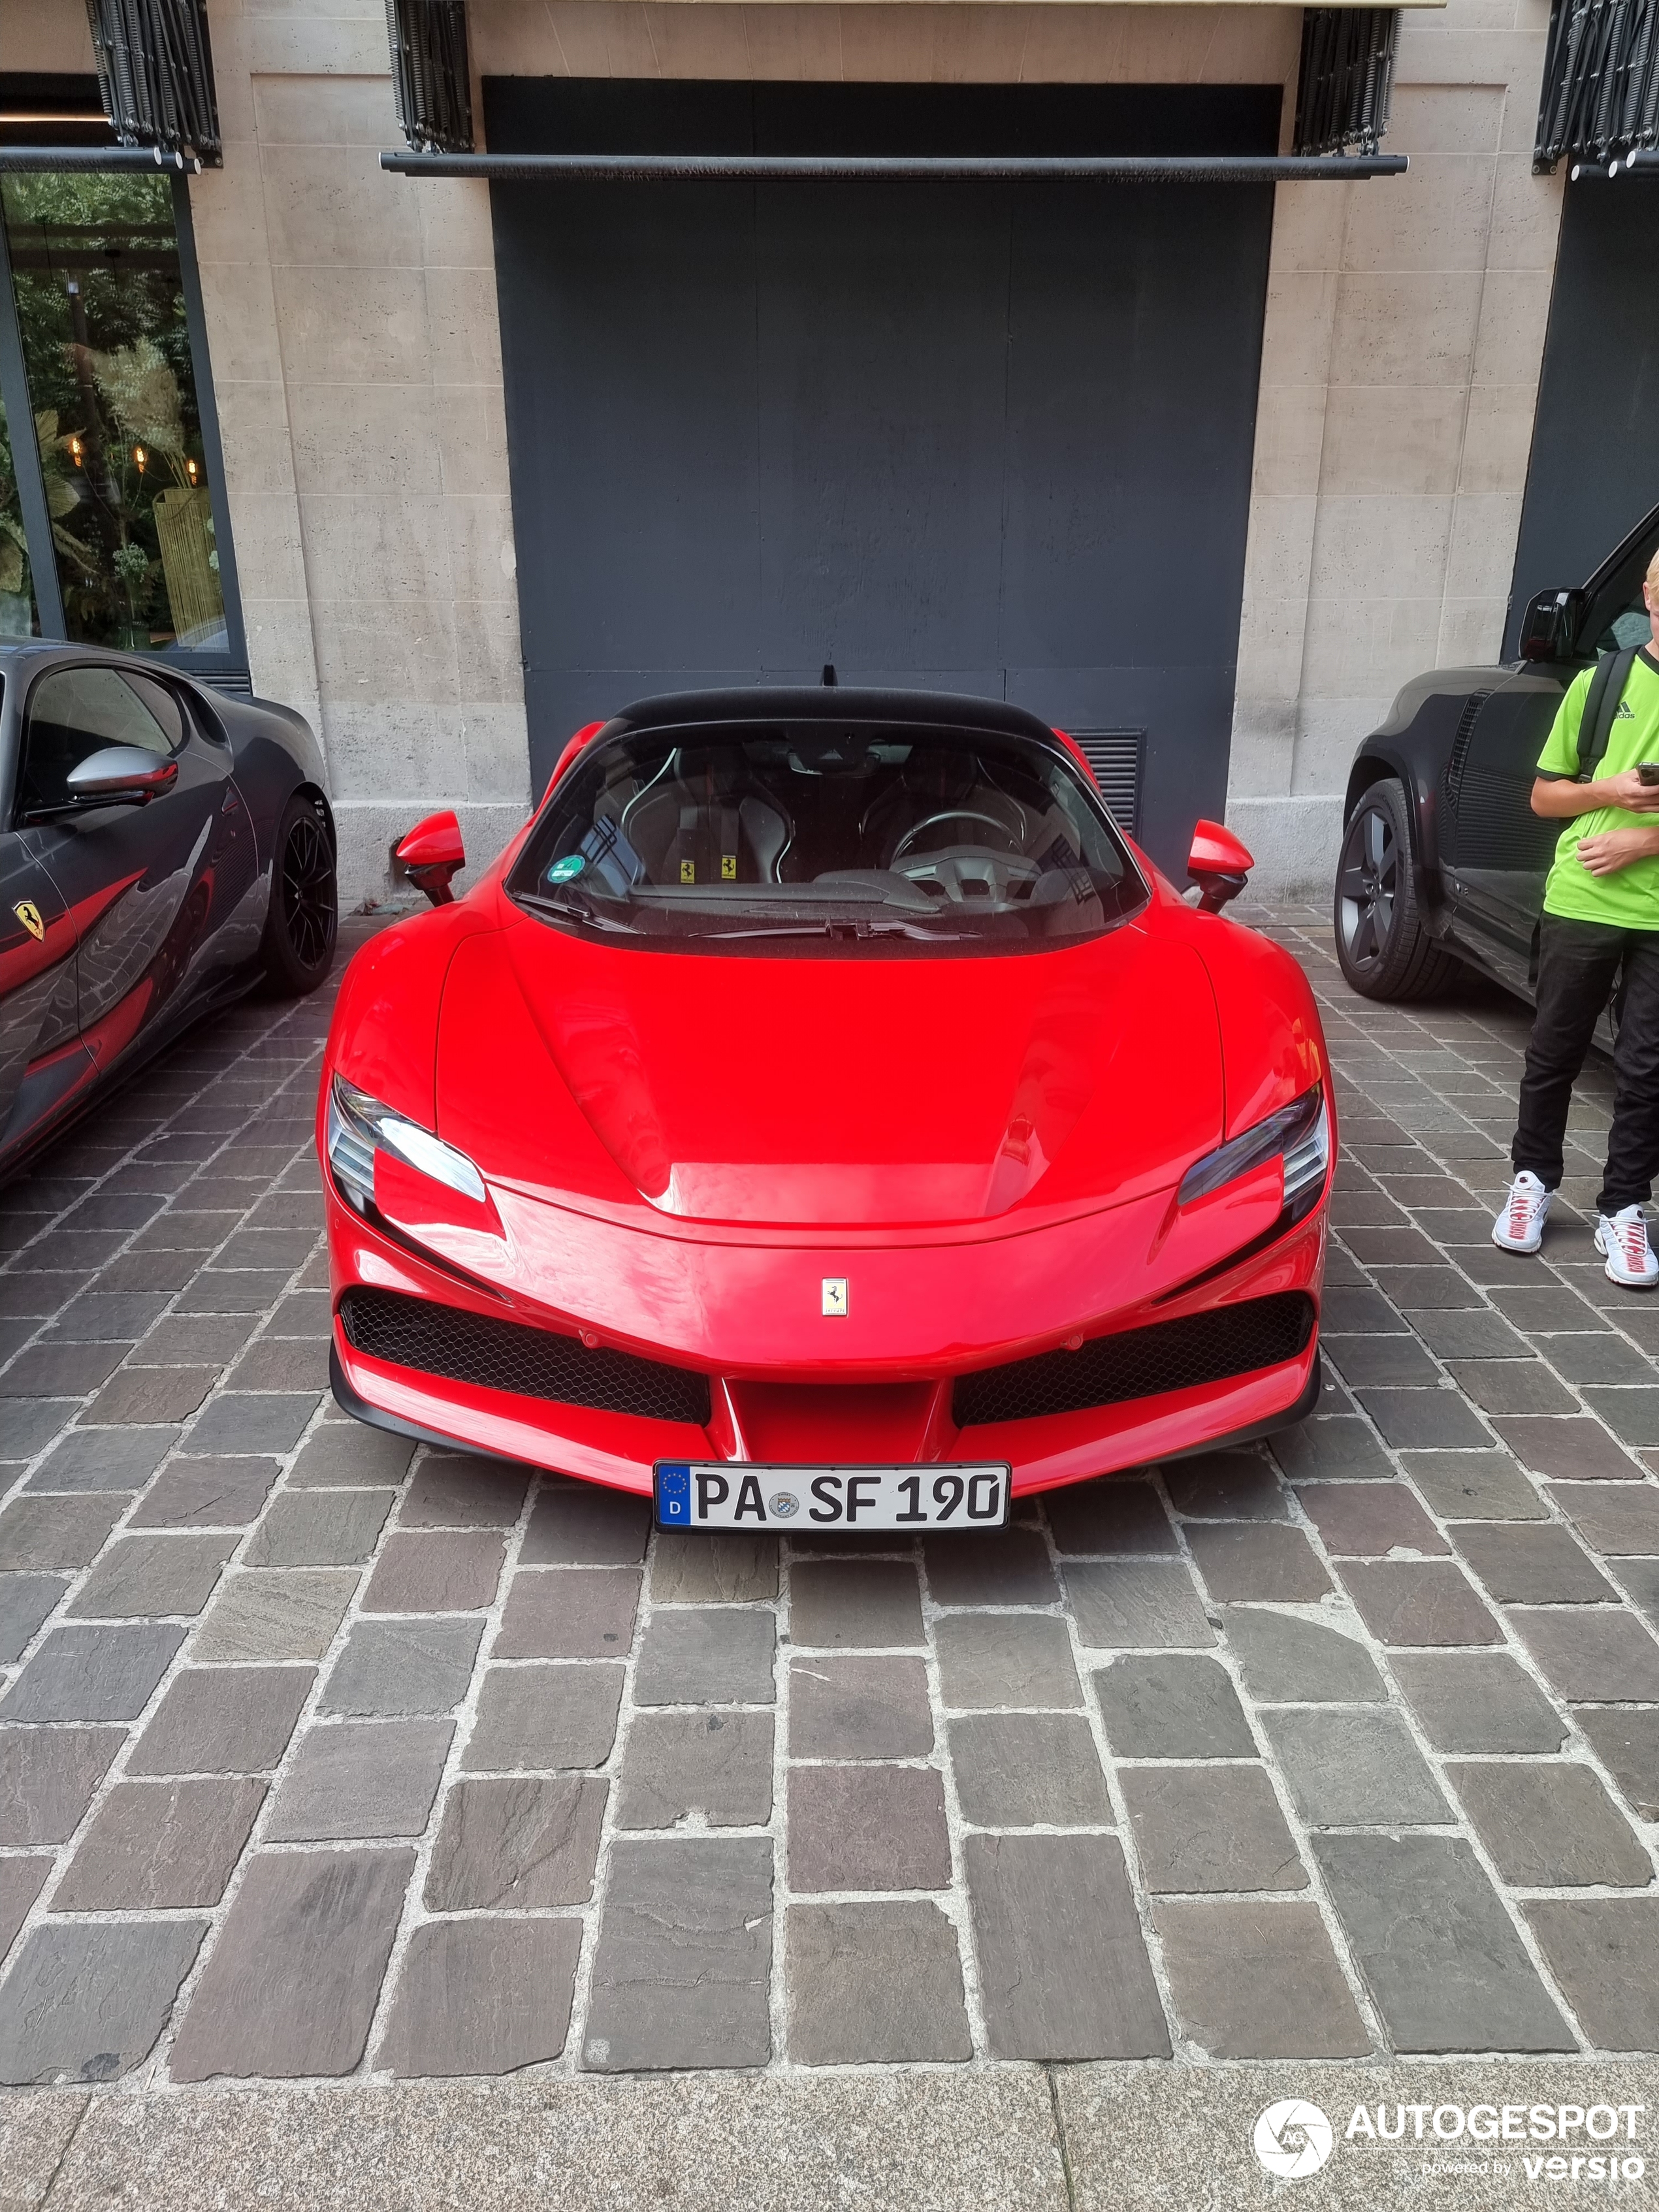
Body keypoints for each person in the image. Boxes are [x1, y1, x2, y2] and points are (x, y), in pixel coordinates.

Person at [1494, 547, 1659, 1287]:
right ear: (1650, 597)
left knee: (1647, 1068)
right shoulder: (1601, 684)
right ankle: (1531, 1182)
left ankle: (1623, 1208)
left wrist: (1646, 837)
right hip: (1584, 896)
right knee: (1553, 1050)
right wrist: (1610, 795)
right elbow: (1543, 797)